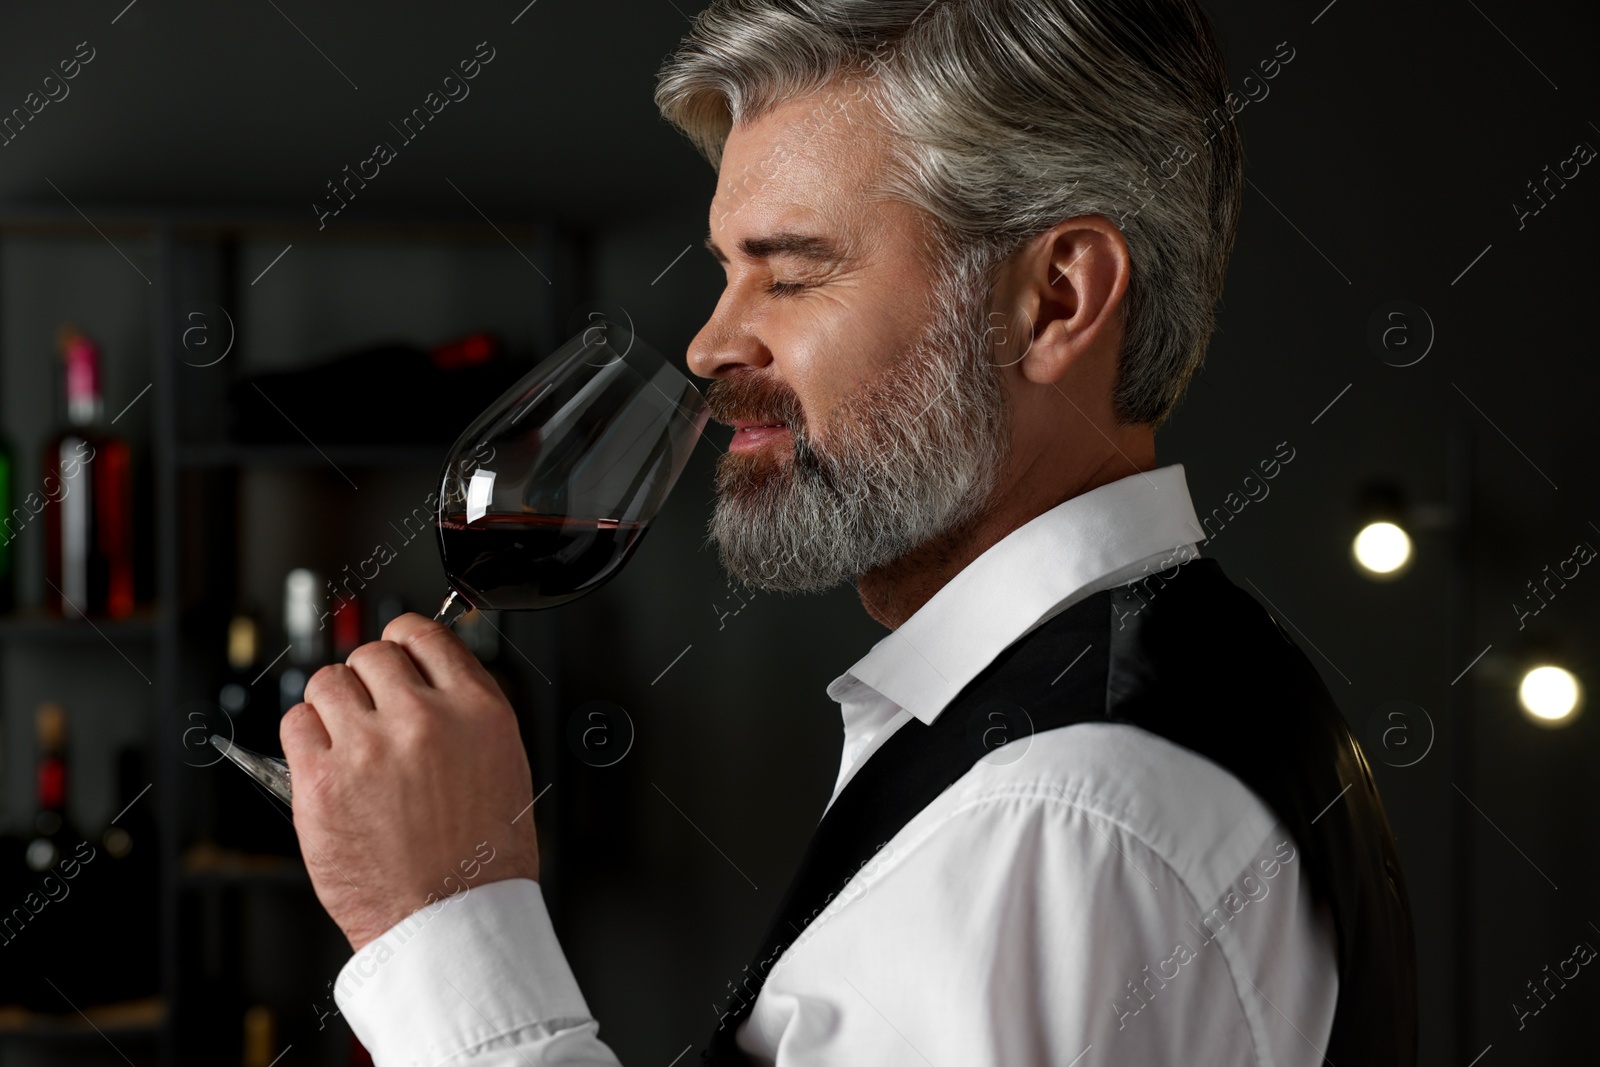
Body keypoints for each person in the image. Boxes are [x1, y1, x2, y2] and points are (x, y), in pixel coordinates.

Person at [282, 1, 1418, 1064]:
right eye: (730, 273)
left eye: (791, 274)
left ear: (1056, 299)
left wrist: (440, 921)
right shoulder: (1156, 697)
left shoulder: (1060, 816)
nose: (711, 345)